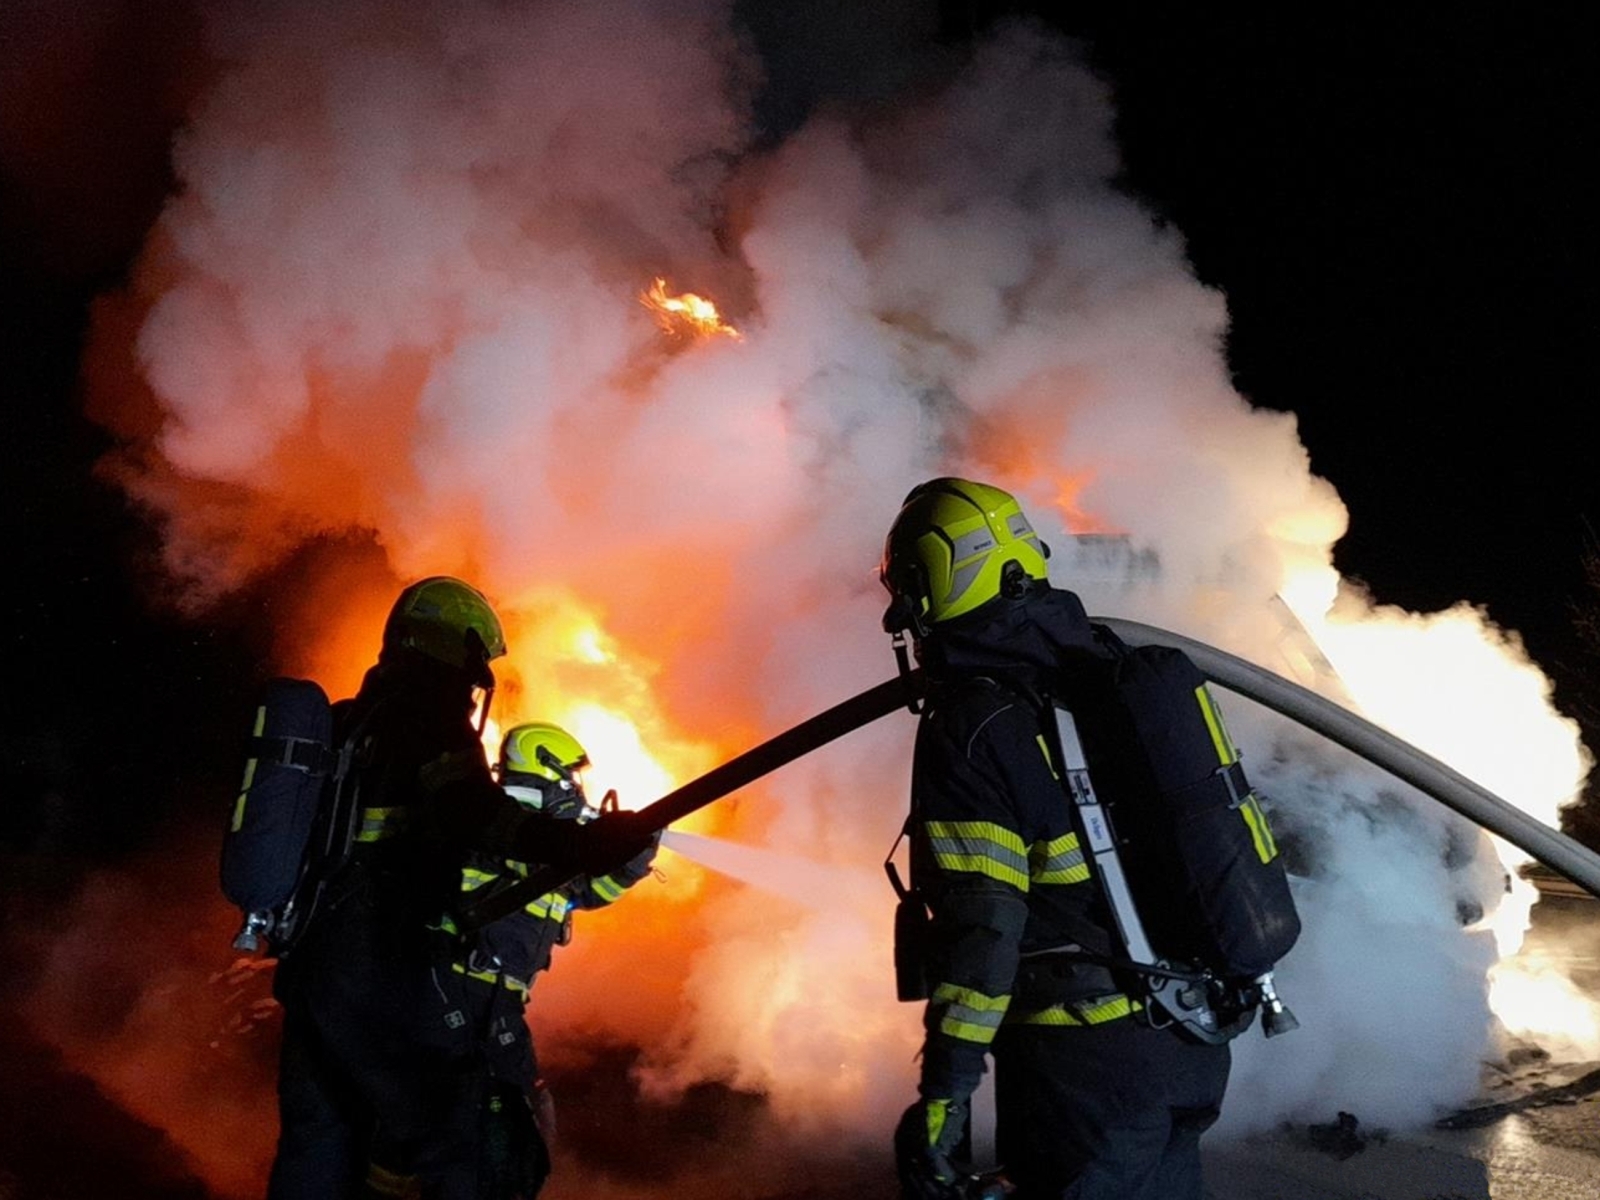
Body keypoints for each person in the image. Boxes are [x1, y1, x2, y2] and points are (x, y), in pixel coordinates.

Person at [879, 479, 1232, 1200]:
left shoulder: (973, 724)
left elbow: (981, 934)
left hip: (1084, 1065)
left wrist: (945, 1096)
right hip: (1189, 1037)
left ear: (931, 584)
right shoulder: (1105, 664)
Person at [266, 576, 656, 1200]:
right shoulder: (430, 718)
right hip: (384, 969)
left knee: (319, 1152)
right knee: (470, 1155)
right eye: (477, 659)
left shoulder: (343, 723)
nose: (478, 678)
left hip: (312, 972)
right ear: (458, 648)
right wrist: (576, 844)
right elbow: (471, 814)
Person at [434, 722, 660, 1189]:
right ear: (548, 771)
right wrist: (586, 840)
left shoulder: (548, 840)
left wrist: (631, 862)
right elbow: (525, 857)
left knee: (517, 1130)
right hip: (457, 995)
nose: (579, 789)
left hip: (497, 1004)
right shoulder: (498, 821)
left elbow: (584, 891)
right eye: (572, 778)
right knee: (485, 1135)